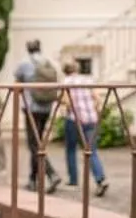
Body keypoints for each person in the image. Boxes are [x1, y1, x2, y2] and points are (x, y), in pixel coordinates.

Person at [13, 38, 61, 193]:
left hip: (31, 108)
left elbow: (17, 82)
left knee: (34, 145)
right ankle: (32, 180)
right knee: (38, 143)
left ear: (28, 49)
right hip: (46, 107)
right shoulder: (48, 62)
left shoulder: (24, 63)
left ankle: (51, 174)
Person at [60, 55, 108, 196]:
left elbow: (67, 101)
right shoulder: (87, 79)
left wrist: (66, 108)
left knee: (70, 149)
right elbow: (98, 98)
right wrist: (94, 110)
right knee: (91, 150)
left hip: (74, 119)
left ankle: (73, 180)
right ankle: (100, 179)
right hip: (91, 119)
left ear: (65, 70)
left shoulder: (66, 82)